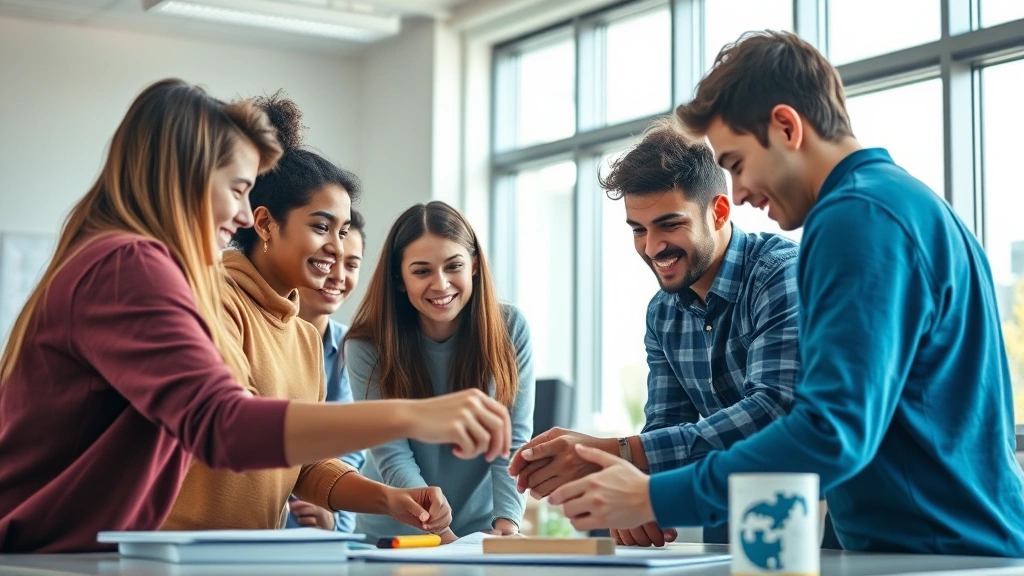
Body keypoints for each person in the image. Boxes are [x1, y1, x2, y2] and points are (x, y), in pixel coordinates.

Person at [546, 30, 1024, 557]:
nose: (742, 192)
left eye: (737, 164)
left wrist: (655, 495)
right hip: (936, 546)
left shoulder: (856, 218)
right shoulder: (896, 204)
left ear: (786, 126)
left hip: (943, 552)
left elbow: (828, 431)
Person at [0, 79, 511, 554]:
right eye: (238, 189)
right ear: (190, 177)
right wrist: (413, 413)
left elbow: (288, 462)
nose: (244, 215)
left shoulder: (122, 261)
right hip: (70, 553)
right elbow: (224, 425)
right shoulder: (130, 266)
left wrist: (384, 498)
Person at [163, 94, 453, 534]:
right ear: (264, 224)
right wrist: (403, 416)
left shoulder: (301, 336)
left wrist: (390, 499)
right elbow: (234, 428)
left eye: (342, 230)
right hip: (181, 554)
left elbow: (306, 465)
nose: (337, 248)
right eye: (321, 227)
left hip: (252, 557)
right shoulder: (213, 300)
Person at [508, 120, 800, 547]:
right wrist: (632, 491)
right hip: (730, 507)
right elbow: (667, 422)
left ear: (718, 211)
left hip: (809, 503)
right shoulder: (663, 312)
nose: (652, 247)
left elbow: (774, 411)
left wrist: (617, 453)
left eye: (669, 224)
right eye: (638, 229)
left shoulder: (777, 274)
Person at [346, 201, 535, 542]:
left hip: (482, 533)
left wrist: (507, 524)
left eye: (454, 266)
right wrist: (444, 537)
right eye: (421, 271)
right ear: (400, 279)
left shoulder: (511, 328)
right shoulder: (366, 344)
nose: (441, 284)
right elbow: (391, 452)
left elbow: (514, 439)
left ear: (474, 266)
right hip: (395, 536)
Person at [287, 209, 368, 533]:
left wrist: (337, 521)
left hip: (319, 534)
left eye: (351, 264)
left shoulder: (356, 350)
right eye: (327, 259)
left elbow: (353, 452)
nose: (338, 275)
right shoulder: (256, 335)